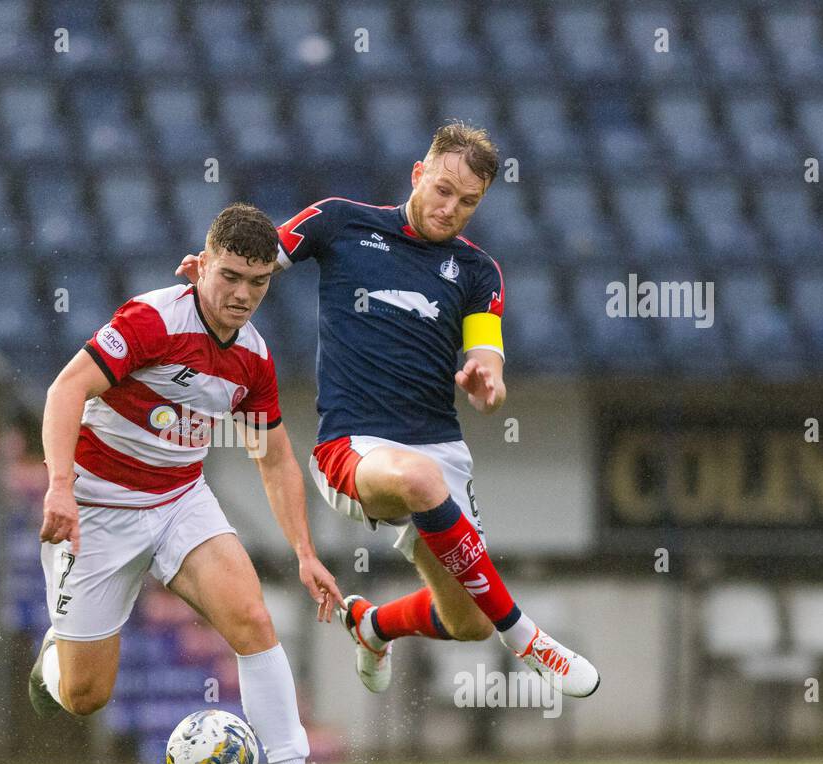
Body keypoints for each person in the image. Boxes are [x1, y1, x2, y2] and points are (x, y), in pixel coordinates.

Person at [177, 123, 599, 698]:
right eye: (443, 190)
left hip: (440, 449)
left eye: (468, 201)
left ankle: (374, 626)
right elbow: (257, 257)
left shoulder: (477, 272)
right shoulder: (341, 221)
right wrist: (208, 276)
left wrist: (486, 379)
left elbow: (485, 352)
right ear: (418, 174)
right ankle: (527, 638)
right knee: (423, 485)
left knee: (469, 621)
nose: (451, 209)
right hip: (352, 449)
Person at [33, 203, 360, 764]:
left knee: (252, 618)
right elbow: (66, 389)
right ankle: (51, 661)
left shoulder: (253, 360)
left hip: (180, 499)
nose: (242, 294)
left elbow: (274, 458)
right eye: (230, 276)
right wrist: (57, 487)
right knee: (83, 695)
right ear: (202, 265)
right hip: (97, 504)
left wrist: (305, 553)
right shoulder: (151, 320)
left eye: (258, 282)